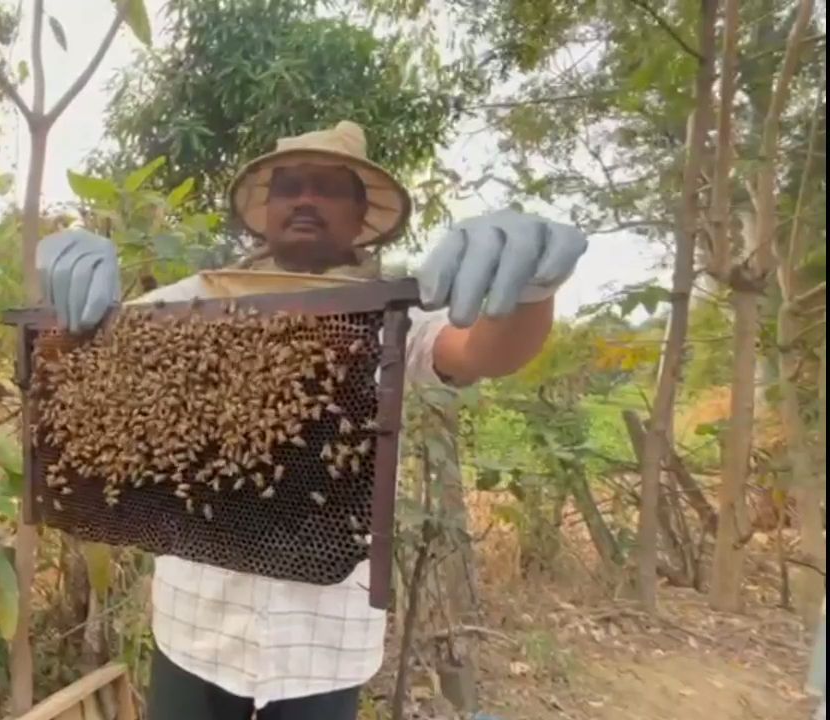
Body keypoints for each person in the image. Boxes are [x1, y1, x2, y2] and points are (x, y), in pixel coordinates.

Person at [34, 120, 588, 719]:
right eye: (289, 186)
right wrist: (71, 283)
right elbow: (84, 356)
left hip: (320, 651)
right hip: (192, 628)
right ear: (265, 211)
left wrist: (531, 289)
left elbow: (484, 350)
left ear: (359, 215)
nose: (304, 199)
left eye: (326, 187)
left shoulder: (389, 312)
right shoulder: (189, 301)